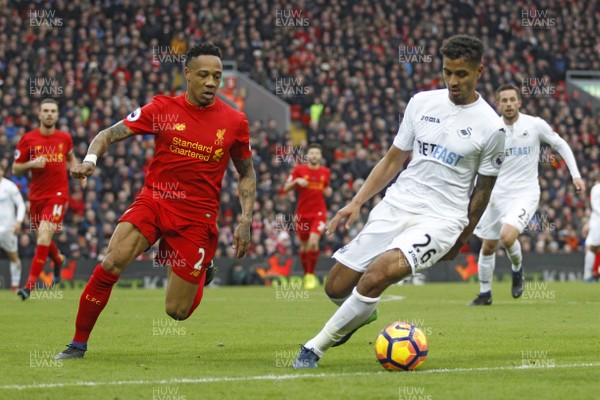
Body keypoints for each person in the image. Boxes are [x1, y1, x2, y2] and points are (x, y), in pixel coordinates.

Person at [293, 34, 506, 368]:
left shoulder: (492, 127)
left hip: (442, 218)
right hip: (398, 204)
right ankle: (361, 313)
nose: (452, 80)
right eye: (447, 71)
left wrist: (462, 237)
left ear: (479, 71)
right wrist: (357, 202)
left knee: (378, 274)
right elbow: (393, 159)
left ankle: (313, 348)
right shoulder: (421, 103)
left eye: (461, 73)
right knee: (335, 286)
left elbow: (484, 189)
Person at [54, 43, 256, 359]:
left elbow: (246, 172)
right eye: (203, 75)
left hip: (195, 216)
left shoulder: (234, 121)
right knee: (112, 261)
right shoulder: (162, 109)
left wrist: (246, 219)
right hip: (156, 200)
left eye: (217, 76)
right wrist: (91, 159)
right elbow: (108, 134)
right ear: (187, 74)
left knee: (177, 311)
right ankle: (77, 344)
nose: (211, 83)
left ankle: (202, 271)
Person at [469, 84, 585, 305]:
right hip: (495, 195)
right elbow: (477, 163)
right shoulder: (490, 129)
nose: (509, 104)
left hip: (524, 193)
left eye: (513, 99)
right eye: (504, 100)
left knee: (507, 236)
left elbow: (560, 144)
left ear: (519, 102)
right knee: (488, 246)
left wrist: (575, 175)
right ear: (498, 104)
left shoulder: (534, 124)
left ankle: (517, 268)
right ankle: (485, 294)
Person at [13, 98, 72, 299]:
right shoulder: (28, 139)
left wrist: (79, 173)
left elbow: (71, 158)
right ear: (39, 114)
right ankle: (58, 260)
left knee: (45, 236)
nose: (49, 114)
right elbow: (15, 168)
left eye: (53, 111)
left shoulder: (65, 138)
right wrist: (31, 164)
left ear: (57, 115)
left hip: (58, 195)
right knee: (42, 239)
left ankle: (28, 287)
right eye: (45, 110)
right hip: (36, 196)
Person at [283, 144, 331, 289]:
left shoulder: (325, 172)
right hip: (302, 214)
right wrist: (296, 182)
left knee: (313, 242)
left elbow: (326, 188)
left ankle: (311, 275)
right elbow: (285, 188)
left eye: (317, 153)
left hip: (319, 213)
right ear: (308, 155)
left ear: (320, 156)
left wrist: (328, 191)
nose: (315, 155)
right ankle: (306, 274)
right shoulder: (299, 170)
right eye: (312, 153)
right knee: (304, 247)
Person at [0, 163, 26, 291]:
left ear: (2, 171)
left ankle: (14, 286)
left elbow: (21, 205)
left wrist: (18, 222)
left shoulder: (9, 186)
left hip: (8, 228)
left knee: (13, 256)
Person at [583, 179, 600, 282]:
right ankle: (590, 274)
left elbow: (595, 206)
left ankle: (588, 275)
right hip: (596, 220)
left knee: (591, 247)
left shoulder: (595, 188)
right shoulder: (597, 188)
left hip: (597, 221)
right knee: (593, 247)